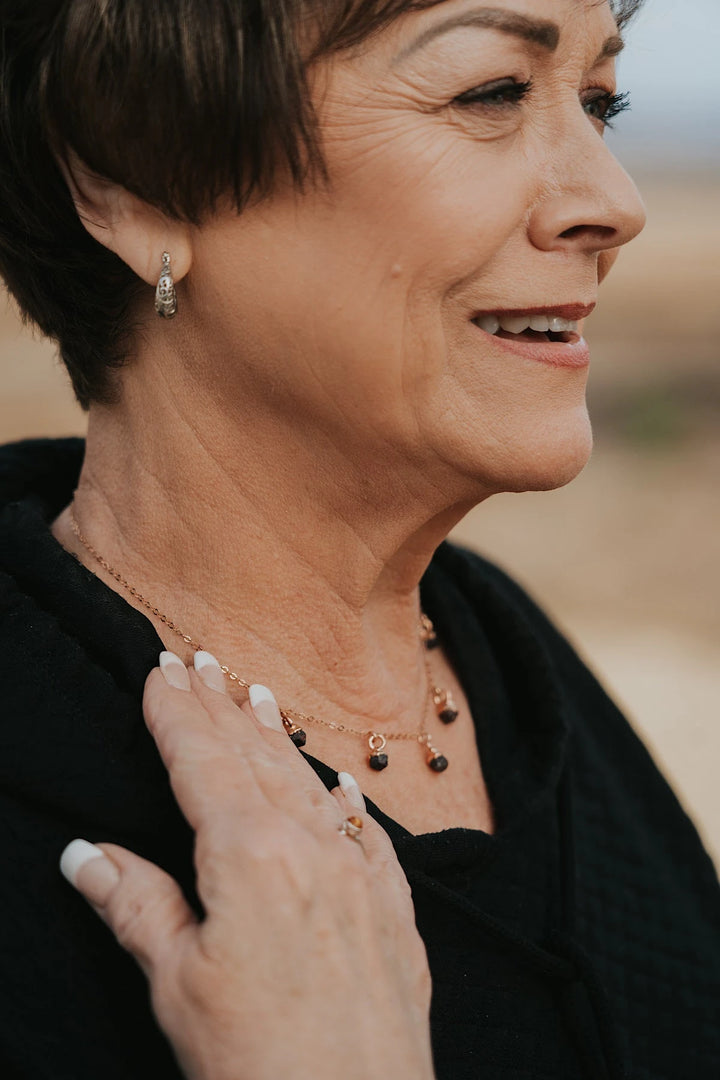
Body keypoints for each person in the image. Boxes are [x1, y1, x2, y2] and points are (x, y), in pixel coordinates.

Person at [0, 0, 718, 1078]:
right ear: (131, 181)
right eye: (492, 93)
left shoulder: (513, 662)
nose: (613, 203)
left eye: (602, 103)